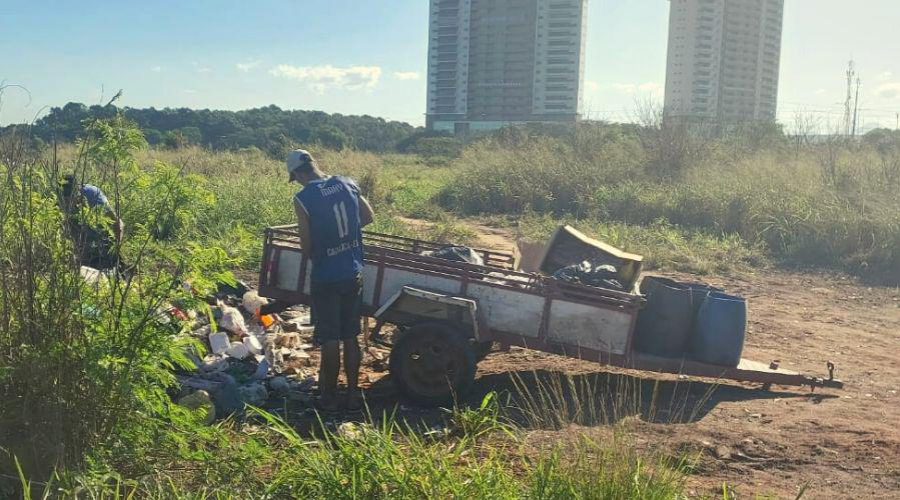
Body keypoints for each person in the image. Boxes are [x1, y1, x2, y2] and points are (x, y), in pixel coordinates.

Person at [286, 149, 374, 412]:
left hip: (326, 277)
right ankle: (352, 395)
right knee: (351, 335)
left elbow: (306, 246)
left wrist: (326, 243)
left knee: (331, 339)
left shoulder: (303, 199)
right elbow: (368, 216)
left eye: (296, 178)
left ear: (298, 173)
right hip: (352, 272)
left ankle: (328, 397)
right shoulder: (347, 183)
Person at [60, 174, 125, 270]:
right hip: (80, 243)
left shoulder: (93, 195)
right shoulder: (58, 199)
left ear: (78, 191)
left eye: (72, 198)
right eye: (66, 199)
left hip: (101, 239)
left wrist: (116, 248)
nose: (69, 202)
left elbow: (118, 223)